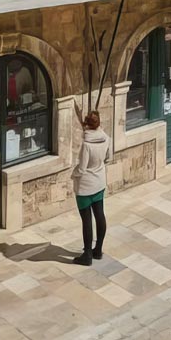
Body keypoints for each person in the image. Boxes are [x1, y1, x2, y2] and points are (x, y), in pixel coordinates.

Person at [71, 109, 112, 265]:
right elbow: (109, 158)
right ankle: (98, 249)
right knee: (100, 214)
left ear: (87, 125)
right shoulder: (106, 138)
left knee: (86, 220)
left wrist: (73, 174)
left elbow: (82, 168)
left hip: (85, 186)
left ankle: (87, 254)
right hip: (99, 181)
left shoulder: (87, 145)